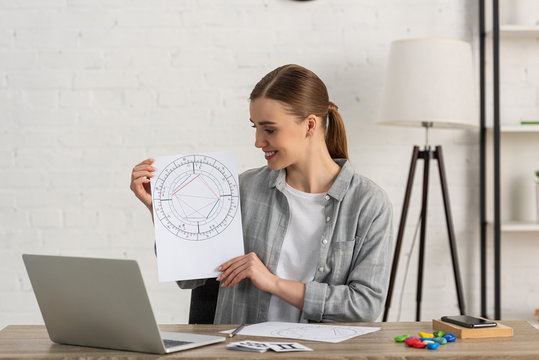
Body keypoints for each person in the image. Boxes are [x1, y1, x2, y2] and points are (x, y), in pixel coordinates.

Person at [130, 64, 393, 324]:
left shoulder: (367, 204)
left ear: (310, 125)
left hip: (319, 352)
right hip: (241, 349)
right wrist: (161, 211)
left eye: (269, 129)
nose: (258, 141)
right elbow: (189, 278)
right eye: (254, 127)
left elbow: (365, 305)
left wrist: (272, 282)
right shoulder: (241, 189)